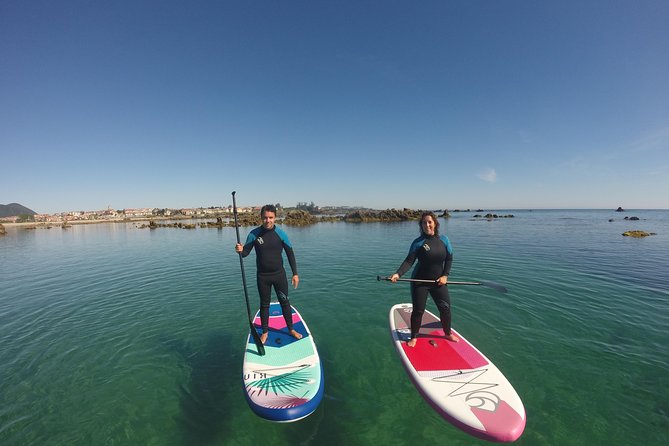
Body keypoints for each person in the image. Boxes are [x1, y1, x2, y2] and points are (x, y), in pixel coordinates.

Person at [389, 211, 458, 347]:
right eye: (424, 222)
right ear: (421, 225)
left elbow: (449, 258)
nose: (427, 225)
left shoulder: (444, 240)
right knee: (418, 310)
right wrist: (398, 274)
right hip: (420, 282)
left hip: (439, 281)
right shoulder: (418, 242)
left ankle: (447, 333)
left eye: (429, 222)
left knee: (445, 308)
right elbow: (409, 261)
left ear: (435, 223)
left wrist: (445, 275)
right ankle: (414, 336)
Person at [235, 204, 302, 344]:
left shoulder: (281, 234)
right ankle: (265, 332)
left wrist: (295, 273)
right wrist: (240, 250)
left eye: (271, 217)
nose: (268, 220)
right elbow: (245, 254)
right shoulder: (254, 234)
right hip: (263, 277)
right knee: (264, 305)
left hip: (279, 276)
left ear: (275, 217)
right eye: (265, 218)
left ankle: (291, 329)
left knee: (285, 302)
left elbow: (290, 254)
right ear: (261, 217)